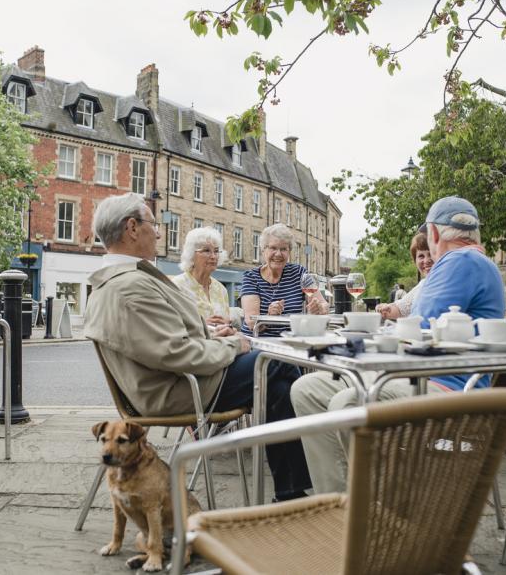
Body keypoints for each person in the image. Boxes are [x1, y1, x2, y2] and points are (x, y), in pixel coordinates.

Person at [84, 193, 311, 501]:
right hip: (178, 388)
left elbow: (171, 340)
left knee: (278, 382)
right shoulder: (129, 286)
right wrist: (233, 346)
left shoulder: (125, 279)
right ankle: (305, 473)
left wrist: (215, 337)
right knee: (277, 363)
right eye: (154, 223)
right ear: (133, 228)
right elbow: (176, 354)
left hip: (178, 379)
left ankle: (291, 491)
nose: (160, 232)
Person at [290, 196, 506, 494]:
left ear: (432, 234)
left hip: (447, 390)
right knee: (307, 389)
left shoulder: (459, 261)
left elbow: (417, 331)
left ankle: (379, 517)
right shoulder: (473, 263)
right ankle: (340, 504)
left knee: (348, 404)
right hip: (425, 379)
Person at [240, 223, 329, 337]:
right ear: (263, 250)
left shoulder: (299, 273)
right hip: (257, 342)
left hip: (290, 341)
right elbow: (252, 323)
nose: (278, 254)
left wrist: (320, 309)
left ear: (289, 252)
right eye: (273, 248)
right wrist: (269, 316)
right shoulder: (251, 277)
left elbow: (323, 304)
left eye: (283, 249)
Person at [172, 227, 231, 328]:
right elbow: (170, 325)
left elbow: (227, 322)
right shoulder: (177, 286)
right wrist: (201, 325)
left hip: (220, 342)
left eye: (216, 251)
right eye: (206, 250)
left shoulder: (221, 290)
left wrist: (227, 325)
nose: (213, 256)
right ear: (191, 254)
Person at [376, 232, 433, 320]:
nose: (426, 260)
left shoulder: (449, 280)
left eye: (431, 254)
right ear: (415, 261)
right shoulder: (422, 285)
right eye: (421, 256)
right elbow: (401, 309)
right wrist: (385, 309)